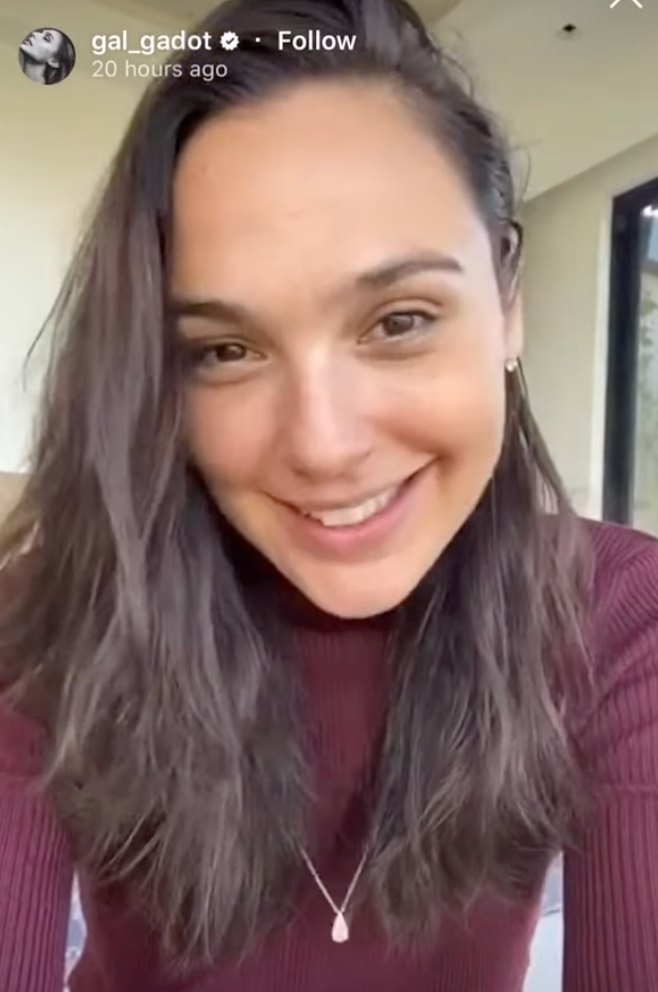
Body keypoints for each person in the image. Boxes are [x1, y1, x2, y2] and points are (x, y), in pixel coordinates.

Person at [0, 0, 656, 990]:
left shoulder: (622, 616)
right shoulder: (46, 617)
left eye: (398, 319)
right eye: (224, 349)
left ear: (507, 304)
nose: (323, 443)